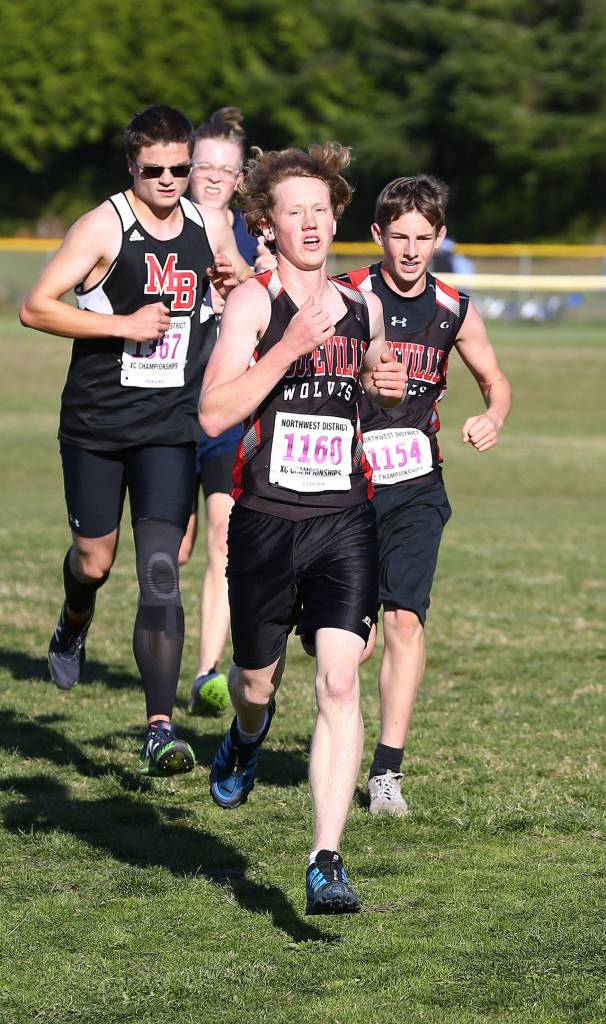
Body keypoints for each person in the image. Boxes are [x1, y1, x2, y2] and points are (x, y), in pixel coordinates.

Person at [198, 142, 407, 915]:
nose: (313, 222)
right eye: (296, 211)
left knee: (342, 678)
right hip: (264, 522)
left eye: (322, 208)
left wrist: (385, 391)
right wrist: (288, 346)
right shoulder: (255, 305)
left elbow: (380, 390)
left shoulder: (363, 306)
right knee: (256, 685)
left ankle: (325, 860)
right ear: (268, 222)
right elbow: (214, 413)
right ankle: (247, 737)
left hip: (344, 520)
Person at [19, 105, 249, 778]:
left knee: (159, 571)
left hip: (169, 427)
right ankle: (74, 617)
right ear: (132, 166)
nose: (172, 181)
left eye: (182, 168)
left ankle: (159, 728)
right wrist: (123, 325)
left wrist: (234, 283)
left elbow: (238, 286)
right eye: (157, 170)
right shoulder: (104, 225)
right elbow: (37, 306)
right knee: (95, 562)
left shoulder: (209, 223)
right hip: (96, 427)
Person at [335, 175, 511, 815]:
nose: (411, 250)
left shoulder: (454, 308)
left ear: (439, 238)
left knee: (403, 619)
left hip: (415, 484)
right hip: (345, 483)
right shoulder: (345, 295)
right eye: (399, 237)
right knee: (348, 639)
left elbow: (496, 381)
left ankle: (386, 771)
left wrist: (492, 417)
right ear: (379, 235)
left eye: (424, 238)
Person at [178, 107, 275, 717]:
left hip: (222, 405)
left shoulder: (254, 234)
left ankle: (207, 672)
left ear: (241, 178)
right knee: (172, 550)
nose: (212, 176)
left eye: (225, 169)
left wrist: (242, 276)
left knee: (222, 537)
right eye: (203, 165)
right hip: (160, 404)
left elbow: (278, 297)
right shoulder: (159, 221)